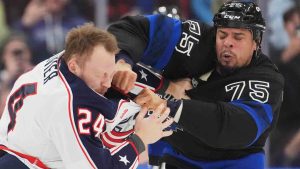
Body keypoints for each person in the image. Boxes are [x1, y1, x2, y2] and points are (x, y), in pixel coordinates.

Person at [108, 1, 284, 168]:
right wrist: (122, 59)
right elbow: (133, 28)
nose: (227, 42)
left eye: (238, 37)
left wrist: (169, 105)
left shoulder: (266, 79)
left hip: (235, 162)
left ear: (256, 42)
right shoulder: (197, 40)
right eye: (222, 35)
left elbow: (237, 128)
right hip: (180, 155)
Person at [0, 23, 174, 169]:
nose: (107, 83)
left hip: (17, 146)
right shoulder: (67, 104)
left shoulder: (68, 57)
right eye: (101, 76)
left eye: (110, 73)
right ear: (74, 66)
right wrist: (141, 138)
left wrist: (123, 67)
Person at [269, 6, 300, 167]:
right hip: (283, 128)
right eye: (296, 26)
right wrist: (288, 55)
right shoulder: (275, 54)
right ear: (287, 26)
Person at [0, 32, 33, 116]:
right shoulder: (2, 79)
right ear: (4, 56)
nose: (18, 57)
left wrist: (31, 73)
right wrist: (9, 77)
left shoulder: (39, 73)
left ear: (28, 53)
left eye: (21, 52)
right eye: (13, 53)